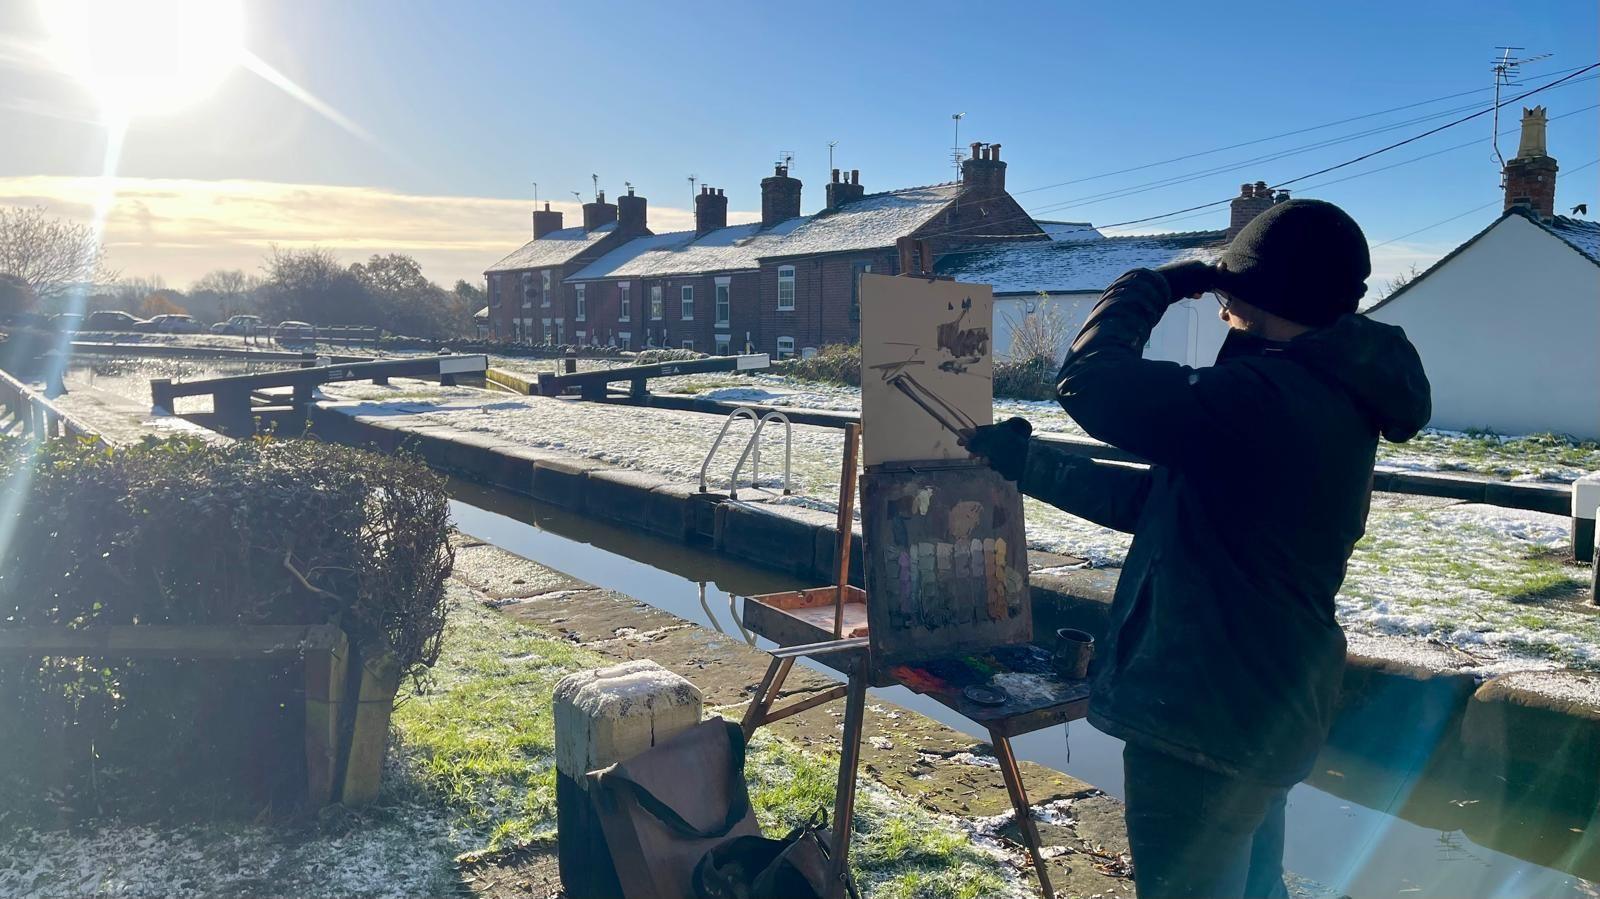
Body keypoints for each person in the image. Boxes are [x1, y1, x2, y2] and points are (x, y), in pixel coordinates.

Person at [966, 199, 1431, 898]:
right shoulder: (1327, 390)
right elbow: (1161, 503)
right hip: (1265, 705)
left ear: (1263, 294)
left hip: (1201, 717)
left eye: (1229, 294)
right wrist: (1027, 464)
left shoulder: (1267, 395)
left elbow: (1090, 381)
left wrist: (1152, 285)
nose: (1221, 308)